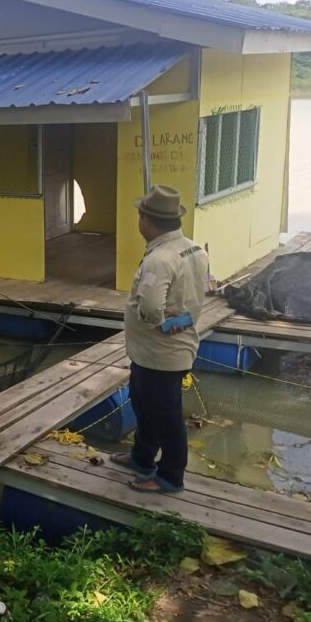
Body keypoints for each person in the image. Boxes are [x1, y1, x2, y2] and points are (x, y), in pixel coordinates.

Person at [112, 184, 208, 494]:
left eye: (140, 215)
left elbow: (151, 307)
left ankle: (170, 476)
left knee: (166, 416)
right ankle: (142, 457)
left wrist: (159, 321)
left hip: (161, 354)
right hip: (157, 352)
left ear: (146, 220)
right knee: (143, 404)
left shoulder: (160, 259)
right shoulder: (194, 249)